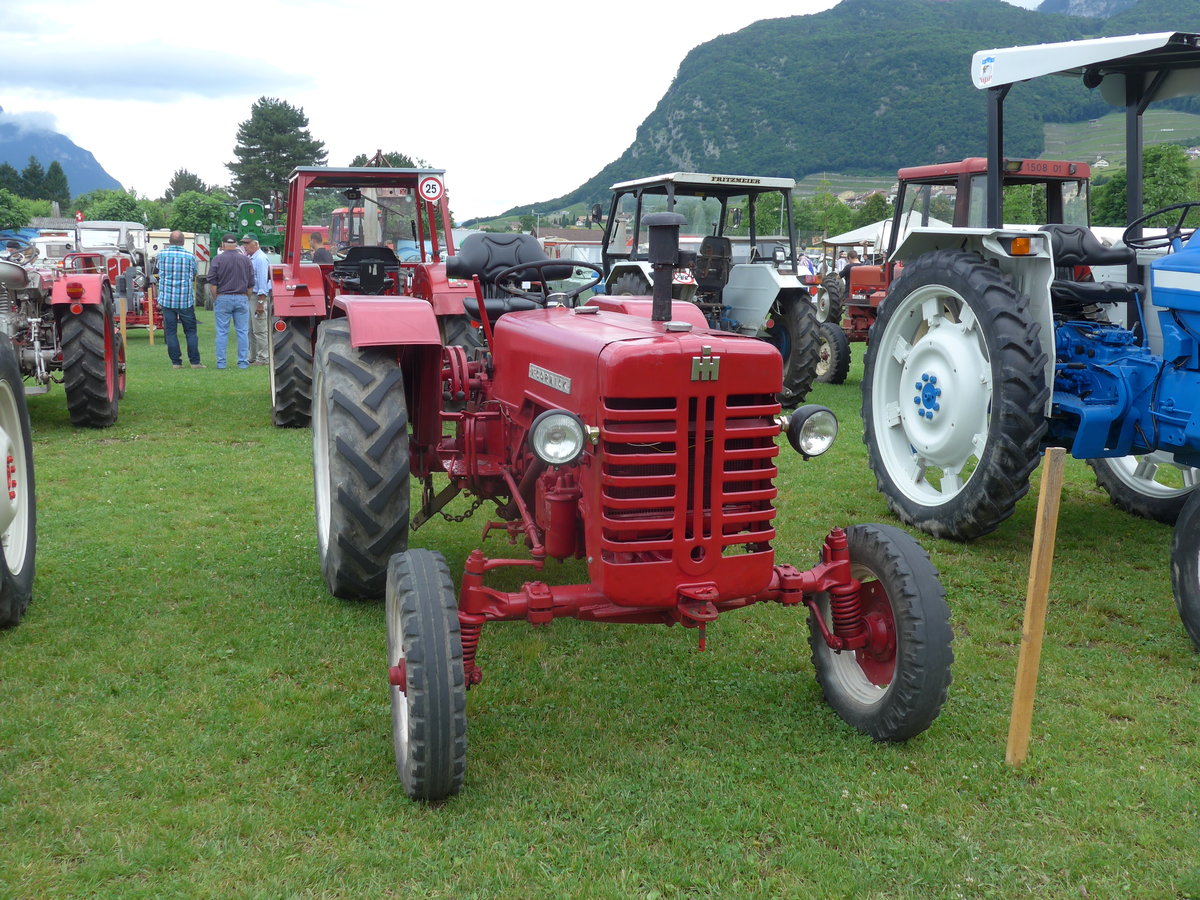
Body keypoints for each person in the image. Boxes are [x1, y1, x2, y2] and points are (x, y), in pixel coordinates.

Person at [154, 230, 204, 368]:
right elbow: (194, 273)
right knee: (191, 332)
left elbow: (157, 270)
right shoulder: (190, 256)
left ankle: (176, 362)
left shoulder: (161, 255)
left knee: (171, 332)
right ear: (183, 242)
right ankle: (195, 362)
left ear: (170, 241)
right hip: (185, 300)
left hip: (167, 300)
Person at [205, 233, 254, 369]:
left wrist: (216, 298)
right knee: (242, 331)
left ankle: (221, 363)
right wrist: (247, 297)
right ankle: (243, 362)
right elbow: (251, 284)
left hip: (223, 297)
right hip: (241, 297)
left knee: (222, 332)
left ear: (223, 245)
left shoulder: (217, 259)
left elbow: (212, 283)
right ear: (236, 245)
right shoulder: (246, 260)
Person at [241, 234, 270, 365]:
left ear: (256, 244)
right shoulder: (252, 257)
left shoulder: (261, 259)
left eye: (247, 243)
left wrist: (261, 302)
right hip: (252, 296)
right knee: (251, 329)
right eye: (244, 243)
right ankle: (252, 356)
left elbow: (263, 282)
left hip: (258, 297)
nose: (245, 246)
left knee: (260, 329)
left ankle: (263, 357)